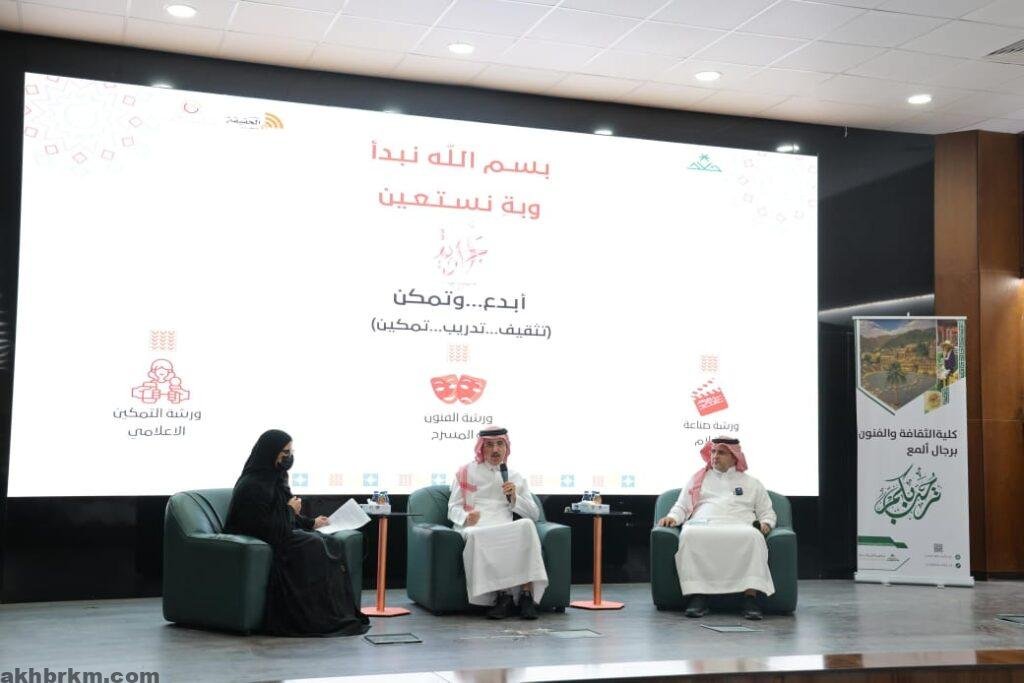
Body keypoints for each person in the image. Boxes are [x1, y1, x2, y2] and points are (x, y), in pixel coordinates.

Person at [224, 429, 370, 637]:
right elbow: (262, 525)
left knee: (330, 542)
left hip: (280, 533)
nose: (289, 457)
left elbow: (284, 516)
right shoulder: (253, 484)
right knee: (313, 544)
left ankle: (335, 613)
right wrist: (291, 510)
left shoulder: (277, 478)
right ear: (270, 452)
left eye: (291, 452)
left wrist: (312, 523)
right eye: (285, 452)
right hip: (264, 539)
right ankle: (314, 617)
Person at [657, 436, 776, 620]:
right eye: (713, 451)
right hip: (704, 524)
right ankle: (698, 596)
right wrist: (672, 517)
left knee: (754, 536)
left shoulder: (752, 483)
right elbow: (682, 506)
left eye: (721, 453)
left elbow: (767, 511)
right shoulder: (698, 479)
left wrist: (766, 523)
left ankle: (750, 599)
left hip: (740, 525)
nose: (715, 456)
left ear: (734, 457)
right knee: (690, 535)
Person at [448, 427, 548, 619]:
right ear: (481, 448)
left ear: (506, 447)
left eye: (500, 444)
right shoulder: (466, 472)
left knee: (527, 525)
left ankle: (526, 596)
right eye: (489, 445)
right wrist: (466, 517)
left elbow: (534, 514)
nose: (495, 449)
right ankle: (503, 597)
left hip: (504, 524)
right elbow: (453, 508)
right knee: (479, 535)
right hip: (477, 525)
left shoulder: (515, 476)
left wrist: (514, 497)